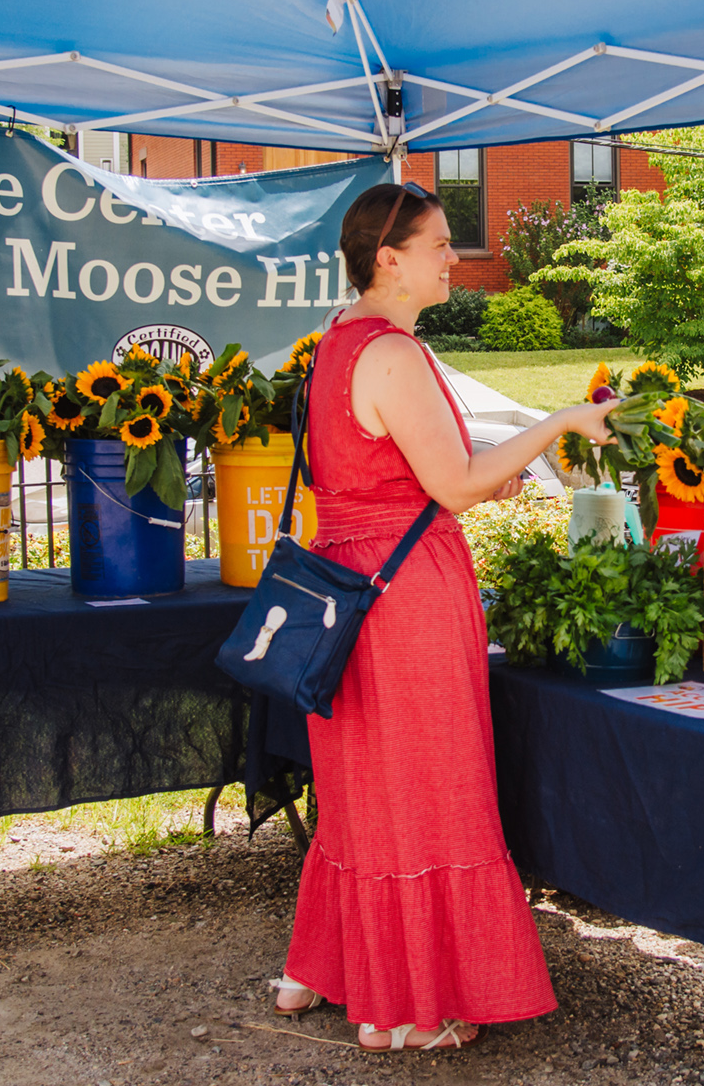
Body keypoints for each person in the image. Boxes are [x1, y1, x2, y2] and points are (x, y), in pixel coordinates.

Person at [267, 182, 617, 1053]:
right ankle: (406, 1009)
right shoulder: (392, 351)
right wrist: (560, 422)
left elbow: (405, 475)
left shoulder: (339, 343)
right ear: (389, 258)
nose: (454, 258)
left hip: (351, 585)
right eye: (439, 243)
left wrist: (483, 472)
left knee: (362, 793)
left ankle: (332, 970)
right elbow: (454, 484)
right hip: (403, 597)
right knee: (426, 790)